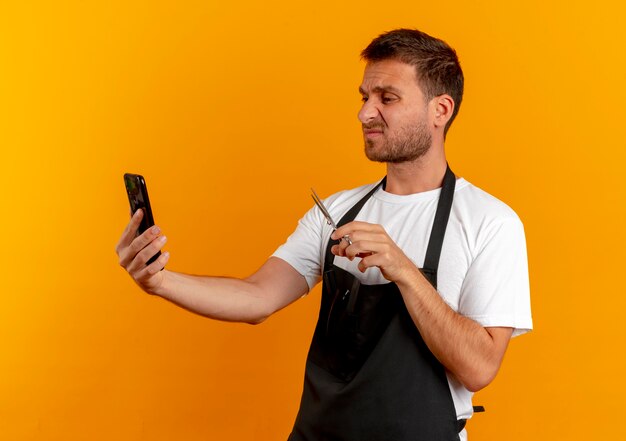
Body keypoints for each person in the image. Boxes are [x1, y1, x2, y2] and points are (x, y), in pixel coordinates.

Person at [116, 28, 532, 441]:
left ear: (440, 110)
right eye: (364, 97)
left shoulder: (488, 222)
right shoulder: (336, 211)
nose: (365, 113)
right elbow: (258, 297)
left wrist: (403, 270)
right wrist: (161, 282)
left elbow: (478, 369)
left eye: (387, 98)